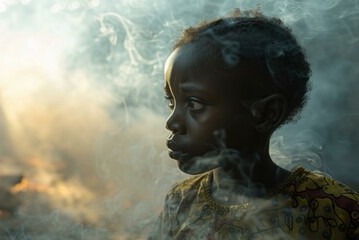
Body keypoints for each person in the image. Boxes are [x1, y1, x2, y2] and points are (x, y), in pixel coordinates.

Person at [150, 9, 359, 239]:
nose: (172, 122)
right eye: (172, 102)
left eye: (195, 103)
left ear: (266, 114)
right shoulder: (180, 201)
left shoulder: (332, 209)